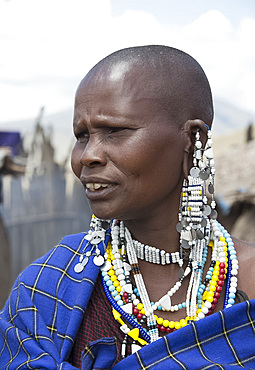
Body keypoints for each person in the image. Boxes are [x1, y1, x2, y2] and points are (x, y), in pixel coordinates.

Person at [1, 45, 255, 369]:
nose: (86, 156)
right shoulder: (47, 287)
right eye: (82, 136)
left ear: (194, 140)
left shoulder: (247, 281)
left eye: (115, 131)